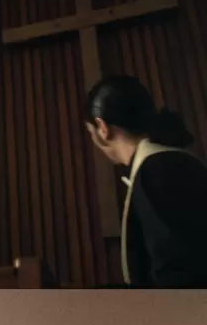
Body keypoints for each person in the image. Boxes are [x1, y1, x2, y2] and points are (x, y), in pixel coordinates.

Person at [85, 75, 207, 288]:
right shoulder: (166, 162)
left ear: (102, 128)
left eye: (90, 131)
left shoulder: (157, 170)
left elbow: (179, 276)